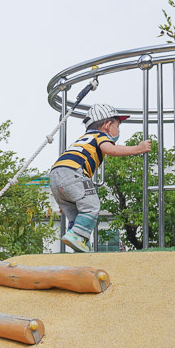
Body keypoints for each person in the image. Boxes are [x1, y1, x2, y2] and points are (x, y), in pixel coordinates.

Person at [51, 104, 152, 253]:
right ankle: (77, 236)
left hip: (55, 176)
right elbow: (111, 150)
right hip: (75, 172)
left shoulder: (83, 139)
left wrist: (64, 193)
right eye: (117, 126)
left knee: (78, 215)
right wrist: (138, 149)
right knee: (91, 206)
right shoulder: (100, 136)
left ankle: (80, 242)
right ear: (107, 125)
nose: (118, 131)